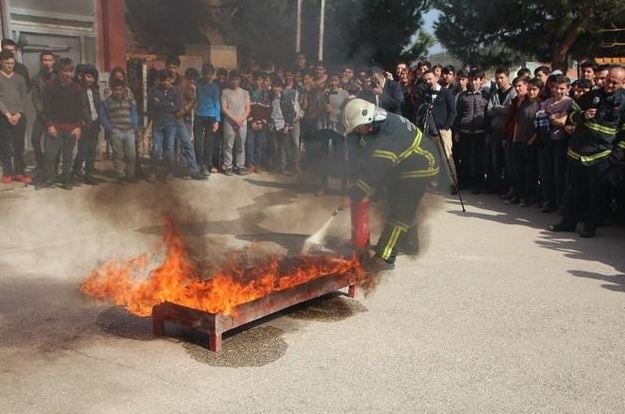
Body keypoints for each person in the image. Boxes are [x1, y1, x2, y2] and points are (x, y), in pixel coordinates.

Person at [340, 98, 440, 272]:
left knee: (400, 212)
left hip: (420, 165)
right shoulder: (378, 122)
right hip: (403, 165)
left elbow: (375, 170)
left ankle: (385, 258)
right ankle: (410, 243)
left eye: (358, 128)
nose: (358, 132)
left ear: (367, 120)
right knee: (398, 204)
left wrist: (354, 193)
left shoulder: (388, 134)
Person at [549, 66, 625, 238]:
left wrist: (615, 156)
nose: (609, 84)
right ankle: (567, 223)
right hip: (578, 151)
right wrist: (582, 115)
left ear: (623, 83)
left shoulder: (624, 103)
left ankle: (590, 226)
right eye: (608, 80)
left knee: (596, 194)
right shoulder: (591, 96)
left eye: (614, 82)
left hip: (601, 156)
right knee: (572, 190)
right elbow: (571, 115)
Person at [38, 58, 86, 190]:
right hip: (54, 128)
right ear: (58, 71)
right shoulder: (50, 86)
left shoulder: (76, 88)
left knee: (68, 156)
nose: (67, 74)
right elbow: (46, 108)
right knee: (50, 155)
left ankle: (66, 179)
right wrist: (49, 125)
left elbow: (81, 109)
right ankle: (49, 179)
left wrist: (78, 127)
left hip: (71, 129)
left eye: (70, 71)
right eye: (64, 71)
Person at [419, 70, 457, 193]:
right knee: (432, 158)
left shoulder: (445, 92)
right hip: (429, 130)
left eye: (430, 79)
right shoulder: (426, 94)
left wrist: (446, 126)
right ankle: (434, 182)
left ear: (436, 77)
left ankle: (452, 183)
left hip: (442, 130)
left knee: (447, 157)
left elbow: (452, 111)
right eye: (425, 80)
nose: (428, 82)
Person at [454, 69, 488, 193]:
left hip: (480, 132)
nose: (473, 82)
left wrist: (488, 131)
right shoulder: (463, 96)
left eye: (476, 80)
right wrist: (457, 131)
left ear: (481, 80)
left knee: (479, 159)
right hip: (465, 131)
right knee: (465, 158)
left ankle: (478, 183)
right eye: (472, 80)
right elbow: (458, 115)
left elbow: (488, 115)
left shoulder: (486, 95)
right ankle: (465, 182)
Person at [100, 78, 139, 183]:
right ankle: (120, 175)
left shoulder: (130, 101)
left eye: (120, 89)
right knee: (118, 155)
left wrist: (134, 127)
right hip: (116, 132)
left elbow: (134, 114)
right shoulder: (106, 102)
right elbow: (103, 117)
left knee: (131, 154)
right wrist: (111, 129)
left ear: (123, 90)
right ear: (112, 90)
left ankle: (130, 175)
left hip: (129, 131)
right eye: (116, 89)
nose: (118, 92)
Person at [0, 50, 29, 184]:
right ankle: (7, 173)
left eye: (12, 63)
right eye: (7, 63)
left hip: (19, 116)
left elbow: (24, 98)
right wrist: (7, 114)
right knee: (5, 146)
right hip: (3, 117)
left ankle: (19, 172)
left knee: (19, 146)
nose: (10, 65)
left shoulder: (19, 78)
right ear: (1, 62)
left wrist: (18, 113)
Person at [148, 69, 180, 180]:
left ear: (171, 80)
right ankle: (152, 171)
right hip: (157, 123)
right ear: (159, 80)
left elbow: (177, 107)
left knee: (169, 148)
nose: (165, 83)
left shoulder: (175, 91)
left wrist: (161, 103)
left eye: (167, 80)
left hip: (171, 124)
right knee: (156, 149)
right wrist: (168, 104)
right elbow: (153, 105)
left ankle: (169, 171)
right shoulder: (153, 90)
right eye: (163, 80)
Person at [73, 65, 101, 185]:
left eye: (92, 77)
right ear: (84, 76)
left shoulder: (95, 91)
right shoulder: (78, 89)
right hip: (84, 124)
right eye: (88, 76)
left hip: (94, 123)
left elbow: (97, 107)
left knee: (92, 150)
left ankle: (89, 174)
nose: (90, 80)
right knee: (82, 149)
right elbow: (77, 108)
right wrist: (81, 121)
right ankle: (77, 172)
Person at [221, 70, 251, 176]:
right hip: (230, 122)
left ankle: (240, 166)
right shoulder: (225, 92)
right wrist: (235, 119)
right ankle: (228, 166)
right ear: (230, 80)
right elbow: (224, 108)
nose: (235, 82)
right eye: (233, 79)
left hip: (242, 122)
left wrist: (241, 119)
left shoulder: (245, 92)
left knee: (241, 145)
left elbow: (248, 108)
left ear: (240, 80)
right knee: (228, 144)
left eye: (237, 79)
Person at [30, 51, 56, 170]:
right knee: (35, 138)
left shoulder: (57, 77)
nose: (47, 62)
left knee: (53, 140)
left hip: (55, 115)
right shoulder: (36, 78)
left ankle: (53, 165)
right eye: (45, 60)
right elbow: (35, 97)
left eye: (49, 60)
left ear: (53, 61)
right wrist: (41, 112)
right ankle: (41, 163)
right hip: (41, 115)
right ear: (41, 61)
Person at [194, 63, 221, 175]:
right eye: (205, 73)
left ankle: (205, 165)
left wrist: (217, 120)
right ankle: (198, 164)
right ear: (202, 72)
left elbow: (217, 103)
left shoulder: (214, 87)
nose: (207, 76)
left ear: (212, 74)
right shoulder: (196, 84)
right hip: (198, 115)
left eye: (209, 74)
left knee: (208, 142)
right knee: (198, 142)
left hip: (211, 116)